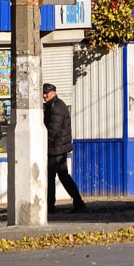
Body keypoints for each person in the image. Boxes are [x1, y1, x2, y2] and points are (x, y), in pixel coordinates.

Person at [43, 83, 88, 214]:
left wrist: (44, 143)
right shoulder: (53, 105)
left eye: (47, 93)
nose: (44, 95)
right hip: (59, 147)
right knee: (63, 175)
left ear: (54, 93)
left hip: (55, 148)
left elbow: (53, 130)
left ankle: (50, 206)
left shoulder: (56, 108)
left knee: (51, 177)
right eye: (43, 93)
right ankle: (78, 202)